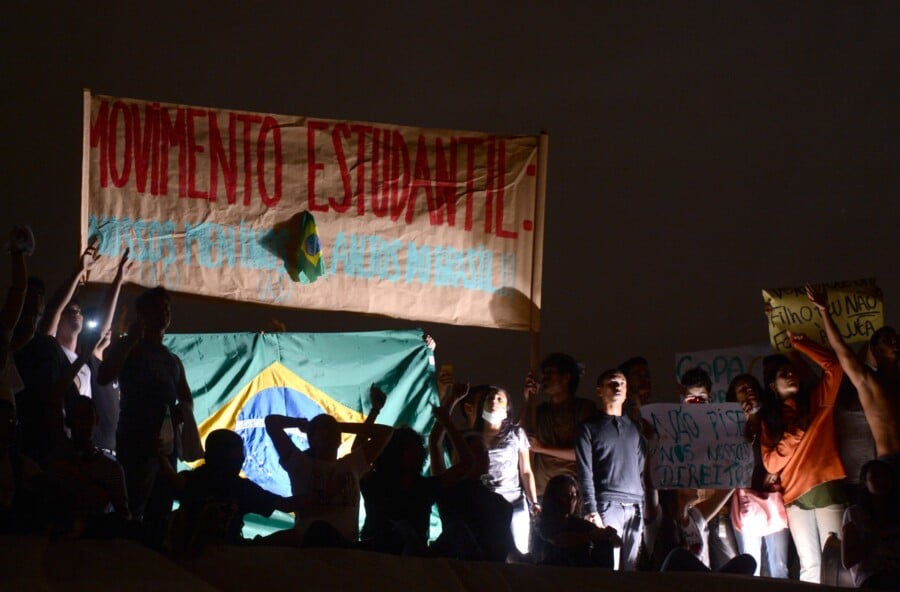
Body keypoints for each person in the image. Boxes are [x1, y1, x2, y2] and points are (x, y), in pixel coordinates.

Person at [99, 286, 203, 546]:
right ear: (142, 313)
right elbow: (104, 375)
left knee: (161, 508)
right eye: (158, 308)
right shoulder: (131, 347)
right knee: (132, 506)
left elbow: (187, 397)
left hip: (165, 445)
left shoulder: (172, 360)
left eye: (167, 308)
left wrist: (181, 412)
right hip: (135, 441)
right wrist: (129, 340)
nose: (164, 313)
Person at [759, 331, 847, 583]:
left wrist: (798, 343)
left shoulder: (819, 401)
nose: (791, 374)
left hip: (826, 488)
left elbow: (835, 366)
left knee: (837, 562)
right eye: (782, 374)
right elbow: (771, 463)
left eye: (793, 371)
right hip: (794, 498)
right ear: (773, 387)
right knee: (809, 565)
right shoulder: (771, 420)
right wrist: (797, 430)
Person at [263, 394, 393, 546]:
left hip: (346, 548)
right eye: (324, 429)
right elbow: (271, 422)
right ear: (312, 438)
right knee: (319, 530)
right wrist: (301, 423)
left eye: (332, 430)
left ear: (339, 439)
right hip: (309, 544)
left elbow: (386, 432)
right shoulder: (300, 463)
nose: (330, 432)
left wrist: (339, 426)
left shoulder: (351, 464)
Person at [361, 386, 473, 555]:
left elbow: (467, 463)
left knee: (458, 531)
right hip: (378, 553)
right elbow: (358, 455)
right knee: (400, 531)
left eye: (417, 448)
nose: (415, 453)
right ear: (394, 452)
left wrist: (447, 422)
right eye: (409, 448)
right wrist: (375, 410)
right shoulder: (375, 481)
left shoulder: (424, 487)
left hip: (417, 556)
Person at [806, 284, 900, 467]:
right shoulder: (869, 382)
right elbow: (841, 349)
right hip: (890, 463)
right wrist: (824, 311)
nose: (894, 342)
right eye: (887, 340)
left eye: (896, 338)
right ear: (875, 350)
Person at [164, 429, 294, 557]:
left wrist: (160, 456)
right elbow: (284, 505)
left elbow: (174, 481)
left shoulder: (192, 479)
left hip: (188, 551)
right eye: (239, 453)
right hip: (230, 551)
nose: (242, 458)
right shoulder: (241, 487)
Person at [576, 368, 645, 570]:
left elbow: (640, 467)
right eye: (612, 383)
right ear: (599, 390)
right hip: (606, 503)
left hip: (634, 505)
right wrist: (591, 508)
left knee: (631, 569)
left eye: (622, 383)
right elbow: (584, 471)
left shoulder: (634, 428)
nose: (618, 387)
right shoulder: (589, 428)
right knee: (608, 567)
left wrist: (644, 503)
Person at [726, 374, 790, 578]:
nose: (749, 390)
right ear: (733, 399)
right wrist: (741, 424)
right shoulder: (727, 429)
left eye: (752, 386)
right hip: (745, 503)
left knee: (779, 566)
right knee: (749, 566)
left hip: (772, 498)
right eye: (742, 389)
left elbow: (785, 449)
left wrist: (776, 470)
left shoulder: (772, 420)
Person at [679, 367, 739, 571]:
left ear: (710, 397)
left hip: (718, 509)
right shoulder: (673, 430)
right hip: (691, 515)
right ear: (682, 399)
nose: (696, 403)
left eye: (701, 398)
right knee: (698, 569)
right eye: (691, 398)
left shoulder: (722, 427)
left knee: (729, 564)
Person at [474, 385, 539, 554]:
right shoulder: (472, 437)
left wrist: (534, 502)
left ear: (507, 408)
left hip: (514, 502)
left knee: (519, 553)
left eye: (499, 398)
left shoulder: (517, 434)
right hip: (484, 503)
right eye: (489, 398)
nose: (493, 401)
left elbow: (526, 471)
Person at [522, 353, 596, 497]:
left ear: (566, 378)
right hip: (542, 491)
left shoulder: (582, 408)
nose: (544, 378)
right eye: (544, 374)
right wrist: (527, 398)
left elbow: (584, 453)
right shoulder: (540, 411)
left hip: (572, 491)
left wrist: (542, 448)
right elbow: (520, 434)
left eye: (550, 373)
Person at [658, 487, 756, 575]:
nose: (694, 483)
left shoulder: (693, 518)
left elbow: (725, 491)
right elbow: (649, 492)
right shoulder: (659, 523)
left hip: (705, 580)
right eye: (686, 480)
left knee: (748, 562)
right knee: (678, 555)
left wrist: (737, 474)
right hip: (680, 585)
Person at [533, 474, 620, 567]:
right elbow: (558, 540)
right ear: (554, 498)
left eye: (573, 495)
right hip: (550, 571)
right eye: (565, 496)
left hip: (580, 573)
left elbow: (618, 543)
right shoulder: (542, 521)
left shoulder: (578, 523)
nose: (570, 500)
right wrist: (590, 536)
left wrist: (609, 534)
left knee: (605, 544)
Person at [841, 459, 900, 589]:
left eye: (885, 476)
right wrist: (876, 538)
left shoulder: (895, 511)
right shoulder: (854, 514)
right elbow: (848, 561)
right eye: (875, 476)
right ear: (865, 483)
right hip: (871, 577)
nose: (881, 480)